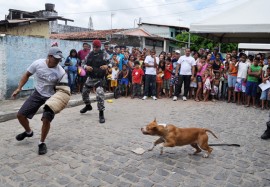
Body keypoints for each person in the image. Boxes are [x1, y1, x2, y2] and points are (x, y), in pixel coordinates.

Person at [11, 47, 67, 155]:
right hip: (38, 94)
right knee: (20, 115)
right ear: (49, 56)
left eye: (59, 59)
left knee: (46, 119)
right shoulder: (38, 64)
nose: (57, 61)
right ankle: (28, 132)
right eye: (56, 59)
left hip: (51, 97)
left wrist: (60, 101)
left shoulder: (61, 72)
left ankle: (41, 143)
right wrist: (19, 88)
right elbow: (27, 75)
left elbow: (63, 89)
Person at [80, 40, 108, 123]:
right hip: (91, 77)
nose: (95, 48)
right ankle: (88, 106)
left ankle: (101, 113)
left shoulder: (104, 54)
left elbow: (112, 62)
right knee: (84, 92)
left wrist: (107, 65)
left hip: (99, 78)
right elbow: (82, 63)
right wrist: (86, 66)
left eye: (97, 47)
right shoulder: (90, 54)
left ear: (100, 47)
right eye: (94, 47)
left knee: (99, 94)